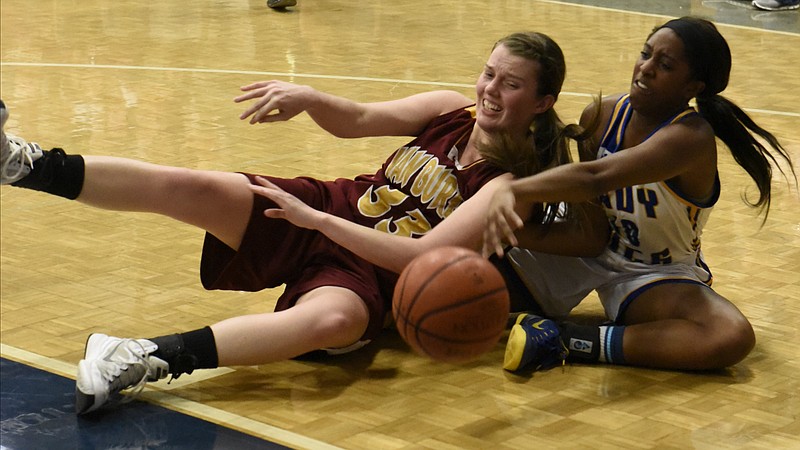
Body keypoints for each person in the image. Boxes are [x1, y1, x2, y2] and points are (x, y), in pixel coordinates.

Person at [1, 31, 604, 415]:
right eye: (489, 72)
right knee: (197, 187)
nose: (491, 89)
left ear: (543, 102)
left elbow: (420, 259)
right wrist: (311, 97)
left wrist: (316, 222)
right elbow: (363, 116)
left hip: (376, 275)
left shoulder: (510, 188)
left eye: (511, 83)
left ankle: (139, 357)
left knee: (332, 321)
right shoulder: (453, 108)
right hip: (337, 206)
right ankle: (24, 164)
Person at [481, 17, 796, 373]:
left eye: (664, 65)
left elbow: (597, 177)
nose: (645, 69)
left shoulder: (691, 138)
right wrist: (508, 234)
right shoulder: (600, 118)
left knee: (730, 335)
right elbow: (592, 234)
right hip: (594, 252)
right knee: (463, 275)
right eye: (645, 54)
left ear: (693, 85)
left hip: (651, 273)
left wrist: (513, 190)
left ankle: (568, 339)